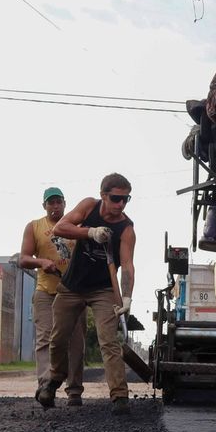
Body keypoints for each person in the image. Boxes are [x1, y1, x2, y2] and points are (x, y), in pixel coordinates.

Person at [37, 173, 136, 414]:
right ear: (104, 195)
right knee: (58, 338)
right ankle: (54, 380)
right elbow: (61, 228)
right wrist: (90, 232)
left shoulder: (126, 229)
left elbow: (128, 265)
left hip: (103, 290)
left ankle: (120, 397)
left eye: (126, 200)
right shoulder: (89, 206)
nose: (120, 205)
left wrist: (126, 297)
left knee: (109, 341)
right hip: (72, 286)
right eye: (116, 199)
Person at [20, 186, 85, 405]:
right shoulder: (34, 227)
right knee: (45, 339)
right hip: (46, 292)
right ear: (44, 205)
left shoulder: (76, 226)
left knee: (75, 341)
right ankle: (46, 386)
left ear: (65, 204)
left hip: (74, 292)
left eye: (58, 202)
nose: (55, 206)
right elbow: (23, 259)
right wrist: (41, 262)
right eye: (51, 203)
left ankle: (74, 390)